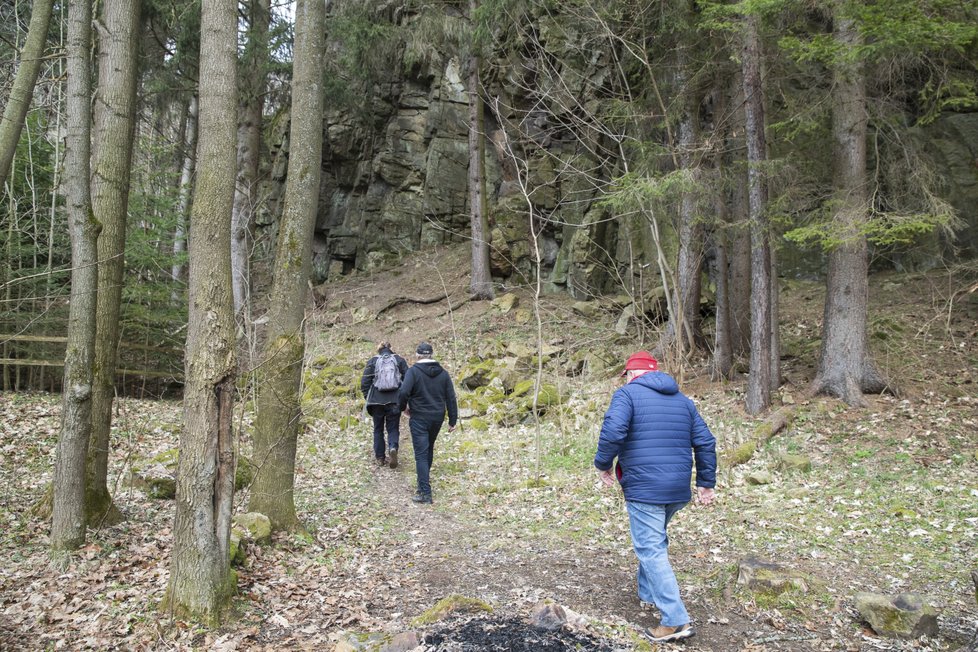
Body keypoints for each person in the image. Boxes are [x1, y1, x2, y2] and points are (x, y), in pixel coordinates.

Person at [593, 351, 716, 643]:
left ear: (632, 374)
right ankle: (648, 593)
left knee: (650, 547)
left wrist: (602, 464)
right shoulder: (684, 401)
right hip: (676, 489)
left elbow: (613, 432)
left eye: (627, 375)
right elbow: (705, 441)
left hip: (645, 486)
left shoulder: (627, 396)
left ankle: (675, 621)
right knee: (655, 539)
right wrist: (705, 483)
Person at [397, 341, 458, 504]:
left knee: (421, 454)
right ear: (431, 354)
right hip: (437, 417)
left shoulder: (413, 372)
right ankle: (423, 485)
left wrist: (403, 408)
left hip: (419, 417)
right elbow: (451, 397)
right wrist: (453, 420)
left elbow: (403, 392)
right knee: (428, 449)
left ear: (417, 355)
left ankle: (425, 492)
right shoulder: (443, 373)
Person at [360, 341, 409, 468]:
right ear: (391, 349)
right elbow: (409, 380)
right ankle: (393, 447)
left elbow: (364, 382)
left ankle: (380, 457)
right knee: (393, 428)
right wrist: (404, 398)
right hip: (394, 400)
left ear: (379, 350)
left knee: (378, 429)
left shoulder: (372, 361)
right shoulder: (399, 360)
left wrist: (368, 398)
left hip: (376, 401)